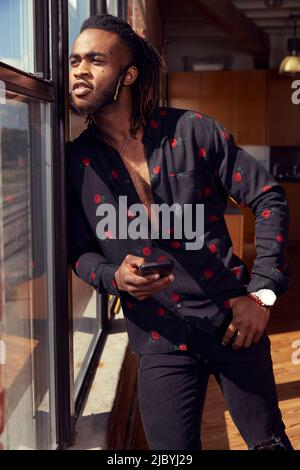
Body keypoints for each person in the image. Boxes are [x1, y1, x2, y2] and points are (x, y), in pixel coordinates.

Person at [66, 14, 293, 450]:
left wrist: (262, 294)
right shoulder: (76, 162)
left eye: (95, 59)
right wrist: (114, 278)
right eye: (75, 59)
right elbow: (78, 251)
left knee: (270, 445)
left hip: (233, 322)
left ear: (127, 74)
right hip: (159, 338)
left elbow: (268, 197)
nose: (79, 69)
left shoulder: (191, 131)